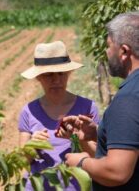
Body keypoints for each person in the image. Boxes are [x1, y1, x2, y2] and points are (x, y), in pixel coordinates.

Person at [64, 11, 139, 190]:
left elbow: (117, 172)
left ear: (123, 51)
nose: (106, 52)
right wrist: (99, 133)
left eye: (109, 46)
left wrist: (81, 161)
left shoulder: (128, 98)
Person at [18, 41, 99, 191]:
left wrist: (78, 139)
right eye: (48, 75)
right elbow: (22, 161)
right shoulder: (28, 111)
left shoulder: (87, 107)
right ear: (38, 77)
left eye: (61, 74)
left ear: (68, 74)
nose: (56, 80)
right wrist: (32, 147)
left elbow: (97, 156)